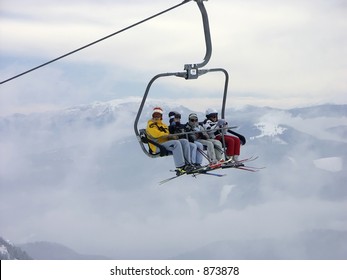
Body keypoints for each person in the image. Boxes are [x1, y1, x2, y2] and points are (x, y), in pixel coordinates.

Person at [146, 107, 195, 174]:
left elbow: (167, 134)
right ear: (153, 116)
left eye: (158, 115)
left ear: (161, 116)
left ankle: (188, 164)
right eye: (155, 115)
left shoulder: (164, 125)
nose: (157, 117)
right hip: (157, 145)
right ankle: (180, 167)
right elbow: (156, 134)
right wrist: (169, 136)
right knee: (176, 143)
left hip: (165, 143)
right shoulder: (151, 125)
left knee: (184, 141)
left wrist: (172, 137)